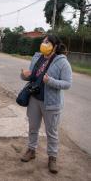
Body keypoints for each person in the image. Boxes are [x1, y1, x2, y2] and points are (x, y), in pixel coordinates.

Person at [20, 35, 72, 174]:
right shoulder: (37, 57)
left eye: (47, 42)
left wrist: (51, 81)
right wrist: (24, 75)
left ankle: (52, 158)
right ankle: (31, 150)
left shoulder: (62, 62)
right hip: (34, 100)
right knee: (33, 127)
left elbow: (67, 84)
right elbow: (31, 76)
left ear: (55, 46)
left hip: (51, 103)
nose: (44, 43)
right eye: (43, 41)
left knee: (52, 132)